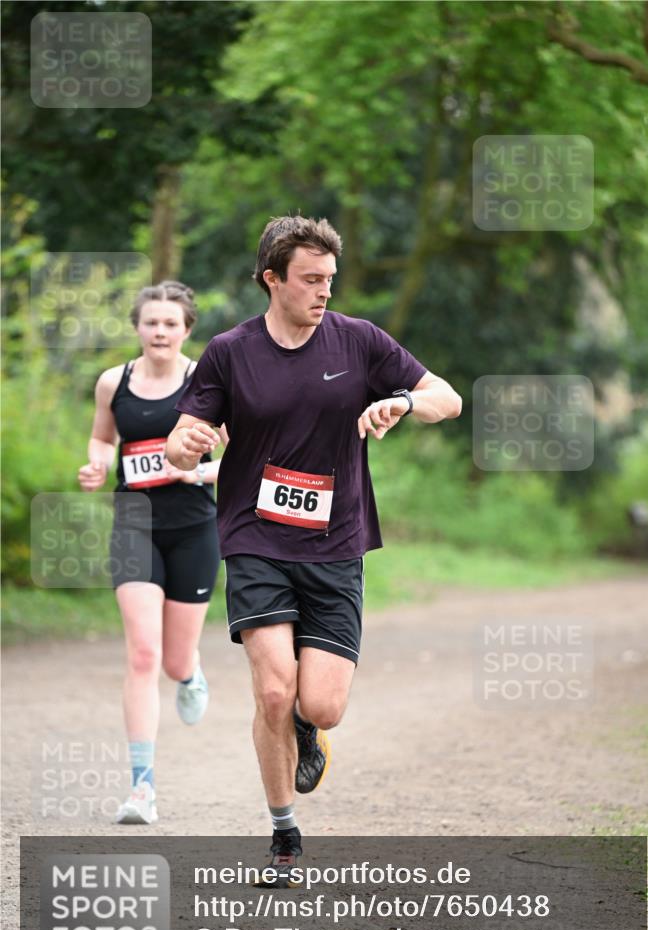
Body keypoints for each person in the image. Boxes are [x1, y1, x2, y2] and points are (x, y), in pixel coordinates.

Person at [166, 216, 462, 877]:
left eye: (330, 280)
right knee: (272, 692)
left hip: (337, 542)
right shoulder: (230, 351)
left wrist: (405, 406)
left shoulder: (359, 343)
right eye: (309, 280)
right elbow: (184, 431)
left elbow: (447, 398)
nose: (323, 292)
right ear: (272, 279)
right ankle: (282, 835)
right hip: (254, 535)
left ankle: (309, 728)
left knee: (319, 704)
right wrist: (185, 442)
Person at [79, 280, 224, 825]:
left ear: (187, 330)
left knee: (174, 659)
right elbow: (102, 438)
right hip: (134, 523)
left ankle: (190, 674)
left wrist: (193, 469)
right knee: (143, 653)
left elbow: (239, 457)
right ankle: (142, 787)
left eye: (171, 323)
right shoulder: (113, 382)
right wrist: (96, 463)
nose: (160, 331)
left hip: (193, 527)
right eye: (151, 322)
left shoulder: (205, 383)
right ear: (138, 327)